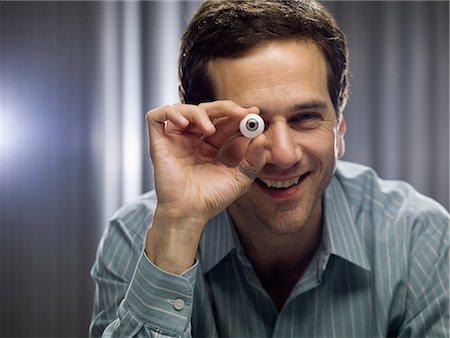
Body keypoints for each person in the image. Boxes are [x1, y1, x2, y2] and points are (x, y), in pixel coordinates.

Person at [89, 1, 449, 337]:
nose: (282, 154)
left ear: (338, 131)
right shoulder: (137, 237)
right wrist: (178, 229)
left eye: (305, 118)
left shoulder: (418, 238)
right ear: (202, 130)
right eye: (251, 124)